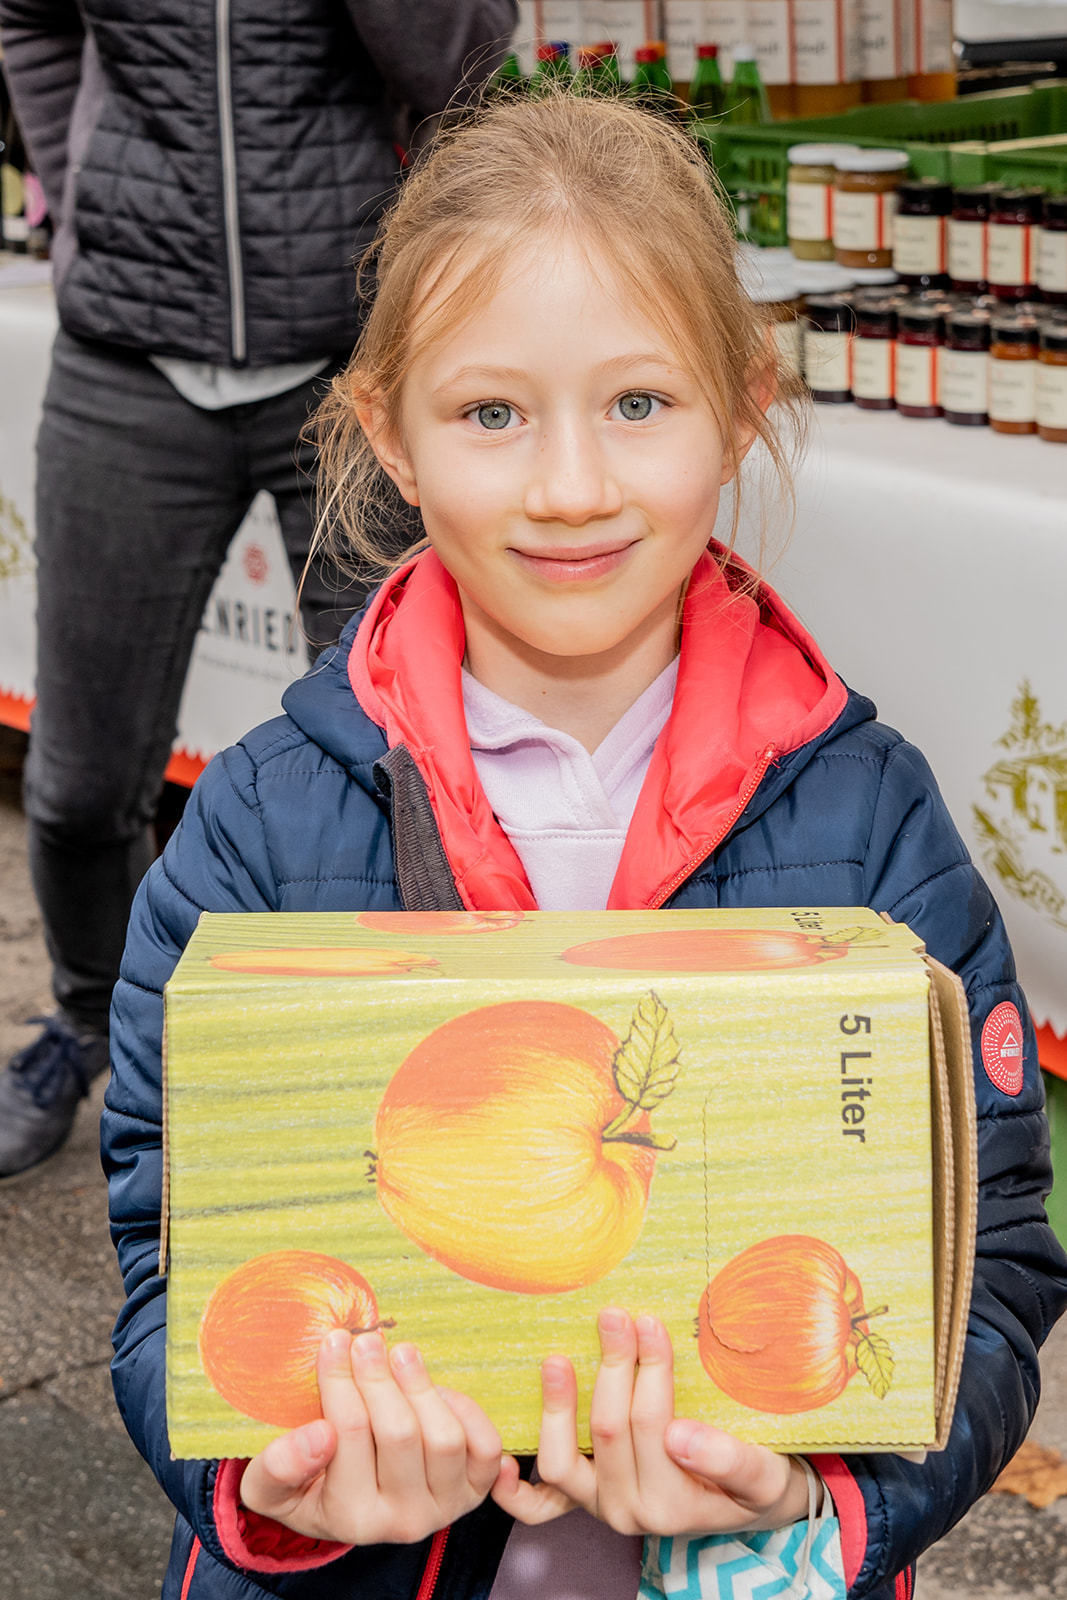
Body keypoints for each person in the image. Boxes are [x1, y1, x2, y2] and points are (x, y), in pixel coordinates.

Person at [101, 89, 1067, 1600]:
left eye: (638, 403)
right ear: (390, 434)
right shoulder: (260, 819)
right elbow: (172, 1242)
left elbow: (988, 1250)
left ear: (739, 407)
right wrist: (276, 1486)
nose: (568, 489)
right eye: (490, 414)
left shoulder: (866, 810)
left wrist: (809, 1500)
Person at [0, 0, 517, 1176]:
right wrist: (88, 197)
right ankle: (91, 1022)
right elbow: (32, 18)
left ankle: (394, 1062)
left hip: (349, 361)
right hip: (125, 359)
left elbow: (466, 62)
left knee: (397, 769)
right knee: (79, 786)